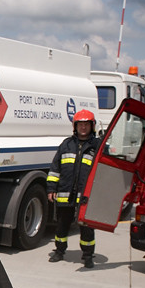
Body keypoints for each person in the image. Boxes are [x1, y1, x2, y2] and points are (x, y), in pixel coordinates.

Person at [46, 109, 101, 268]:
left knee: (86, 227)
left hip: (86, 195)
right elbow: (55, 168)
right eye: (80, 124)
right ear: (75, 126)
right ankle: (59, 251)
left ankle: (88, 255)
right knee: (62, 224)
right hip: (65, 193)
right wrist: (51, 189)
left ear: (92, 126)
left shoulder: (97, 146)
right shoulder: (66, 144)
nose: (83, 128)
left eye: (86, 124)